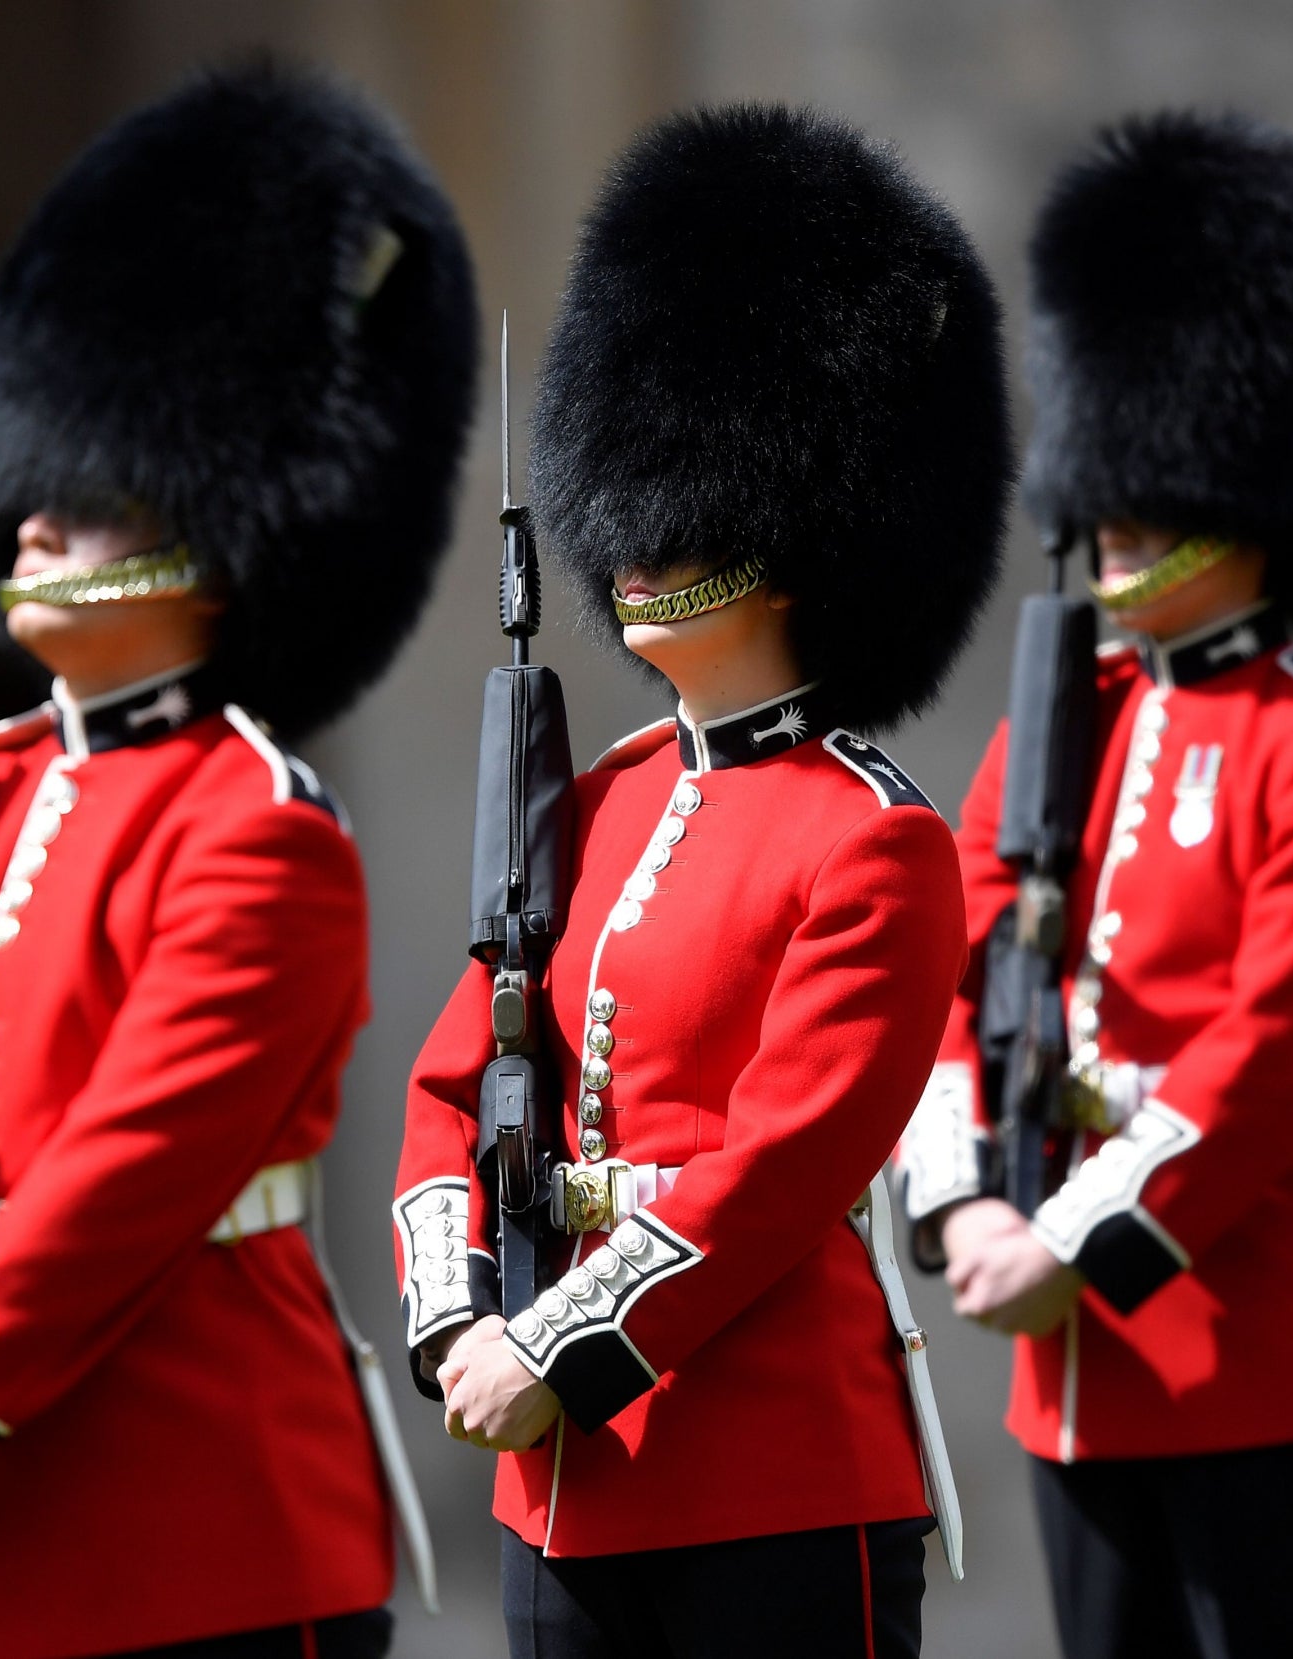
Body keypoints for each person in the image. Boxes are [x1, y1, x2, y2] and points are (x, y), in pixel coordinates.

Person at [0, 65, 478, 1659]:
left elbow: (124, 1187)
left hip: (200, 1537)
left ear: (211, 542)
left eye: (86, 503)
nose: (29, 531)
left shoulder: (259, 829)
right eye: (33, 497)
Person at [396, 104, 1009, 1659]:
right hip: (564, 1477)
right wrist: (460, 1304)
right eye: (642, 510)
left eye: (703, 512)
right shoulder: (591, 807)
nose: (653, 547)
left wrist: (560, 1341)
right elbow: (452, 1086)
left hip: (775, 1478)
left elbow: (778, 1171)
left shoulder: (871, 837)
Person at [897, 111, 1293, 1659]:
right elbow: (958, 963)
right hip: (1068, 1363)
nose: (1116, 520)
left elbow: (1270, 1060)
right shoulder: (1064, 729)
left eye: (1157, 485)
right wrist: (962, 1198)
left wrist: (1067, 1243)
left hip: (1248, 1344)